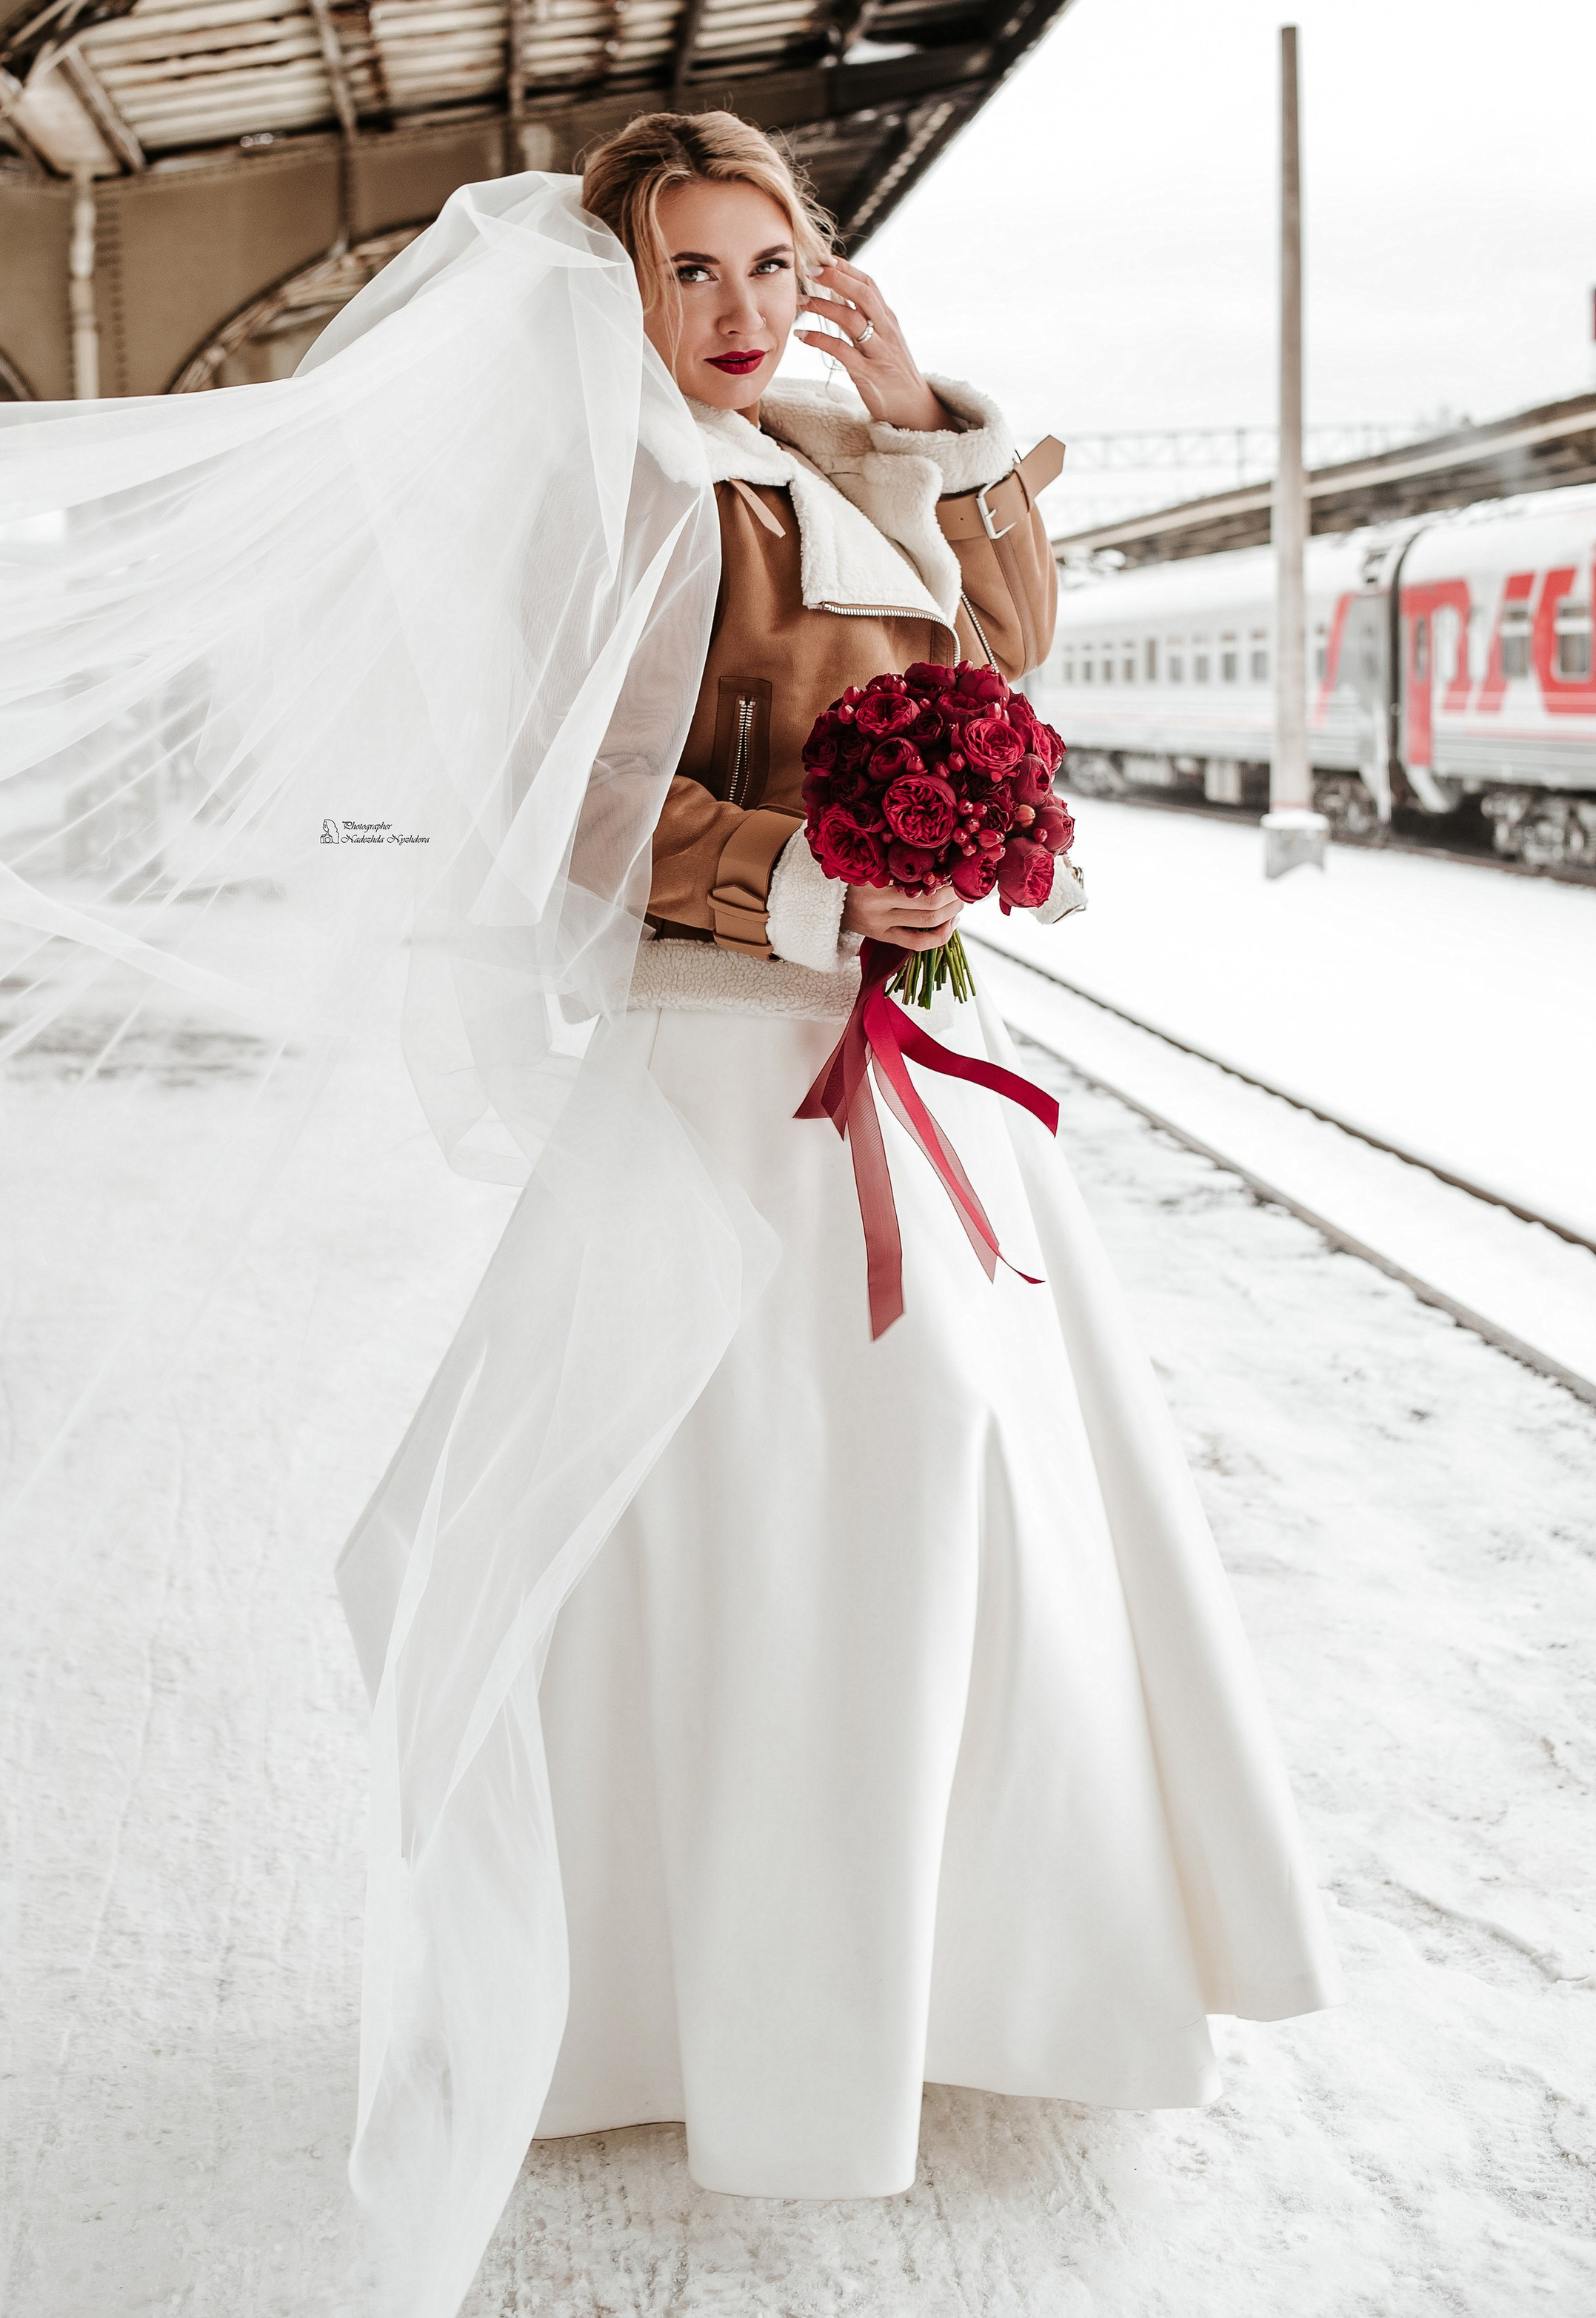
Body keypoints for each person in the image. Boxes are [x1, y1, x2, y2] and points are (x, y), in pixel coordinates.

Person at [341, 112, 1343, 2255]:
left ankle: (971, 1968)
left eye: (768, 267)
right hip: (732, 1064)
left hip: (915, 1059)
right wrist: (817, 881)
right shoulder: (606, 493)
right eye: (689, 272)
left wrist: (924, 428)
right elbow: (591, 816)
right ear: (613, 284)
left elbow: (1004, 658)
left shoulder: (825, 445)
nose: (736, 313)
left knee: (966, 1488)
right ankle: (672, 2003)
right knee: (753, 1510)